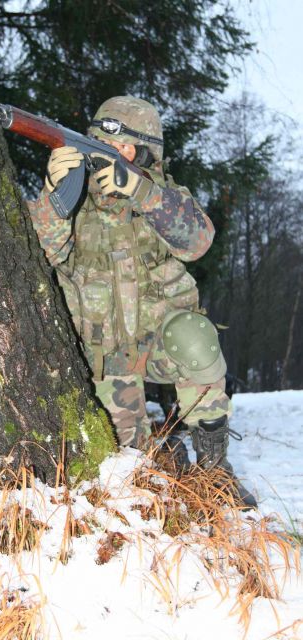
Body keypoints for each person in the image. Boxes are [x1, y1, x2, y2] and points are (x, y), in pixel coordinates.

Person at [28, 96, 256, 508]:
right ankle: (168, 458)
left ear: (148, 154)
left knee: (194, 336)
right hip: (105, 357)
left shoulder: (163, 195)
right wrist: (51, 195)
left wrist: (141, 191)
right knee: (132, 469)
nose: (114, 155)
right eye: (105, 144)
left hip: (161, 344)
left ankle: (215, 467)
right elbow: (41, 255)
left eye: (127, 148)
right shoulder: (74, 199)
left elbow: (198, 242)